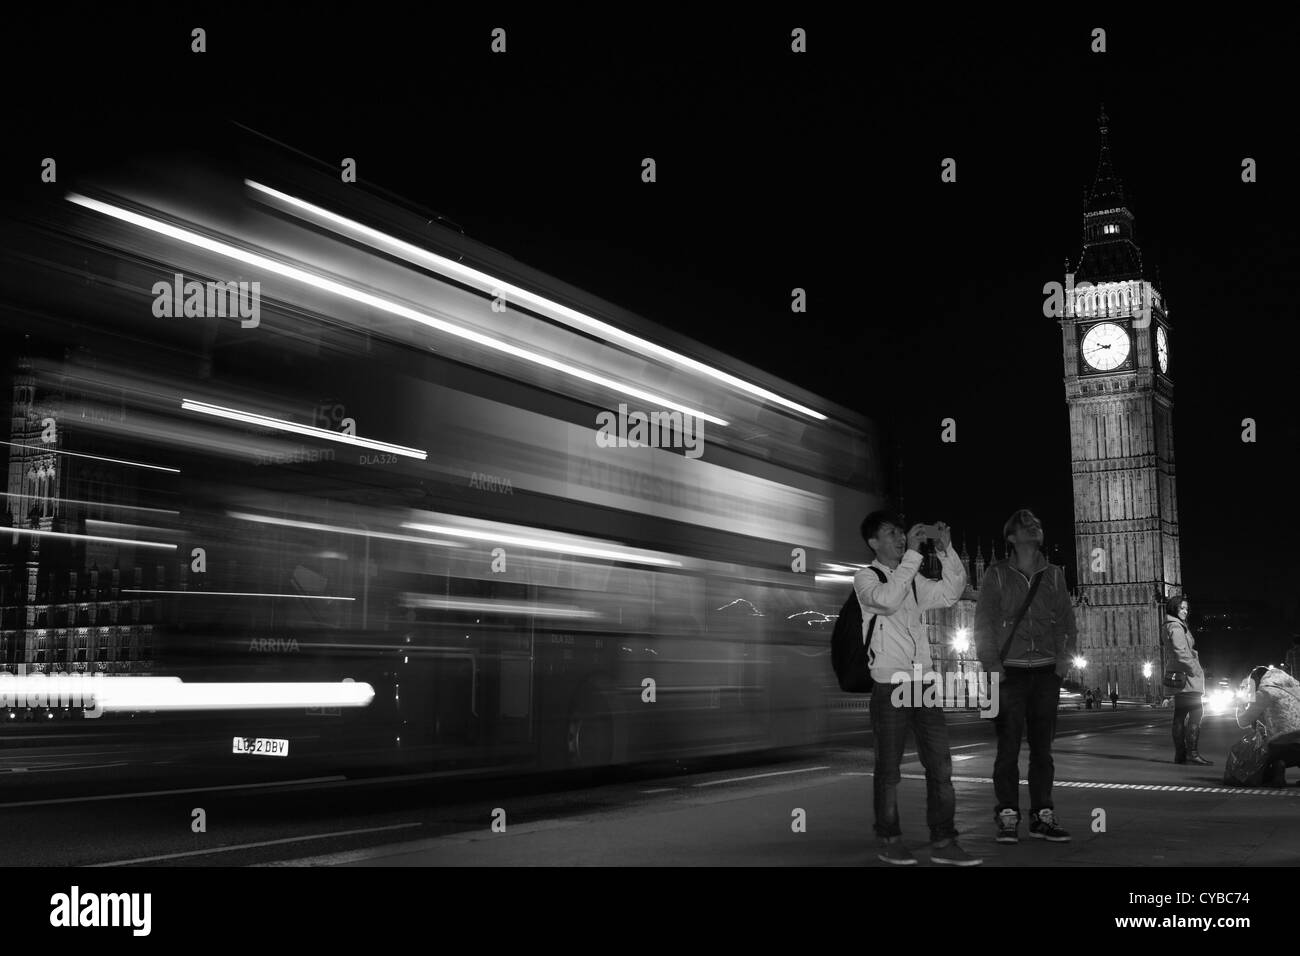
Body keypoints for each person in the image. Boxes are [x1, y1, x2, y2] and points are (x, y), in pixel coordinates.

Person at [855, 510, 980, 866]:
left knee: (941, 767)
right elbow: (888, 600)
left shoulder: (913, 579)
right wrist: (912, 554)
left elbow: (952, 592)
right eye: (891, 533)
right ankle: (890, 837)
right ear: (873, 542)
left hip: (922, 683)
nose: (899, 538)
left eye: (901, 532)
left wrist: (946, 551)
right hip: (890, 682)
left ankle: (944, 841)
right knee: (890, 769)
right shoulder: (865, 579)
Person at [974, 508, 1078, 844]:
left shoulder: (1055, 575)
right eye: (1026, 525)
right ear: (1012, 538)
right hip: (1009, 674)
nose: (1034, 527)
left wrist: (1064, 662)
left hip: (1047, 672)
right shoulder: (997, 575)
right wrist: (992, 665)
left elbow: (1067, 622)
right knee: (1007, 750)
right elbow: (984, 623)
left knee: (1042, 751)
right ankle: (1007, 815)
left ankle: (1042, 815)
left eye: (1037, 523)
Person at [1162, 594, 1210, 765]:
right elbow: (1181, 652)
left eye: (1186, 608)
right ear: (1174, 609)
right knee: (1196, 713)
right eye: (1181, 608)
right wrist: (1195, 669)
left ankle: (1181, 755)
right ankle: (1192, 753)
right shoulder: (1176, 627)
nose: (1185, 611)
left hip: (1179, 675)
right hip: (1187, 678)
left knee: (1180, 715)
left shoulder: (1170, 625)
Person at [1235, 666, 1300, 785]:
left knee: (1260, 759)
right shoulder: (1296, 688)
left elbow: (1243, 721)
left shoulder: (1265, 693)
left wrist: (1240, 704)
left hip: (1283, 746)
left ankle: (1277, 767)